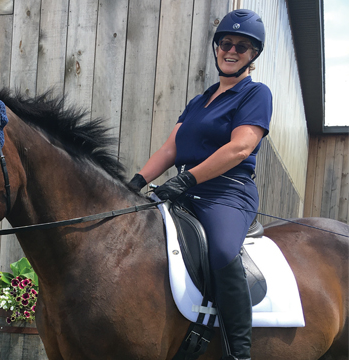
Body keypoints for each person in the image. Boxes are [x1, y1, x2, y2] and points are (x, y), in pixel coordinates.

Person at [128, 9, 272, 360]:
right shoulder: (198, 101)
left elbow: (240, 147)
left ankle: (239, 353)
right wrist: (135, 181)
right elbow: (170, 147)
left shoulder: (255, 94)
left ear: (253, 54)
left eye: (242, 45)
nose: (232, 50)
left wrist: (187, 178)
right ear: (217, 47)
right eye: (226, 43)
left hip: (227, 191)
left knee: (222, 251)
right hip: (185, 189)